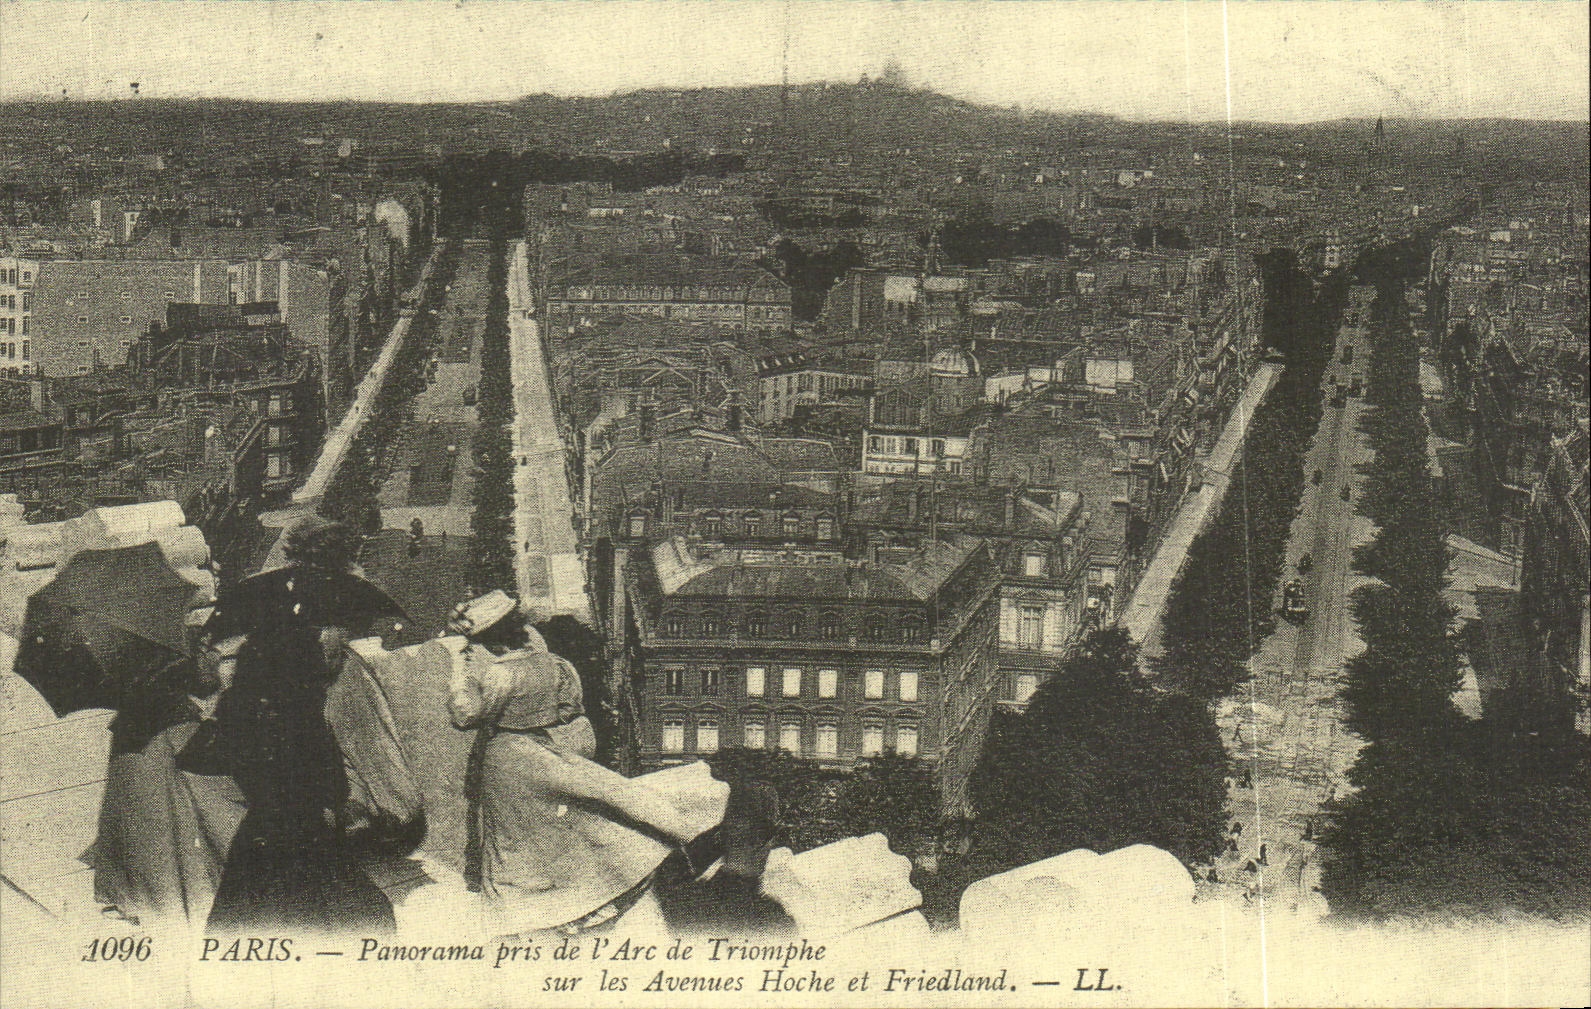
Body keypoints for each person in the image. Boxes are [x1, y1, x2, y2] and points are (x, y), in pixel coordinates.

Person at [448, 636, 717, 937]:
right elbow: (569, 709)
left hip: (508, 754)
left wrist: (462, 673)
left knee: (510, 832)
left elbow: (464, 715)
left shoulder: (499, 673)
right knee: (592, 798)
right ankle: (689, 837)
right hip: (541, 743)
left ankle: (523, 907)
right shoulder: (551, 663)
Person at [196, 625, 396, 937]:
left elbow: (206, 759)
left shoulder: (236, 708)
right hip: (307, 831)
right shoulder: (304, 715)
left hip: (259, 832)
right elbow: (335, 787)